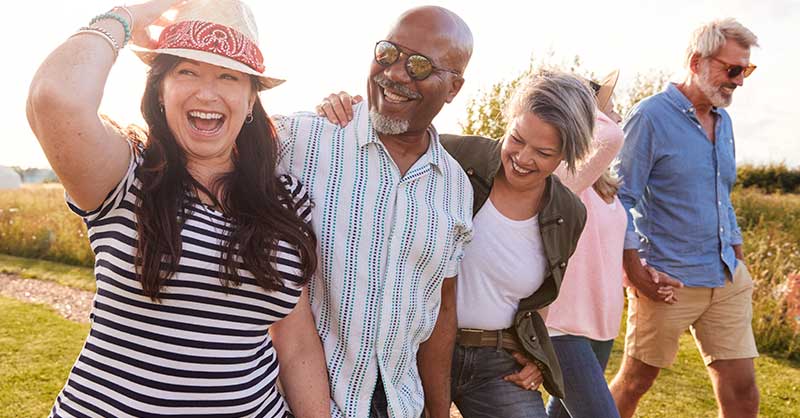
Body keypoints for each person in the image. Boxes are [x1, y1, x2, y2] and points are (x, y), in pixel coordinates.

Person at [26, 1, 330, 417]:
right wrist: (131, 17)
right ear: (160, 89)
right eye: (186, 71)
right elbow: (55, 97)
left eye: (228, 76)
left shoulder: (283, 199)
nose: (207, 92)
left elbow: (296, 342)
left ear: (249, 101)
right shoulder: (126, 173)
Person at [317, 71, 597, 418]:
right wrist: (348, 109)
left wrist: (535, 354)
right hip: (413, 348)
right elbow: (385, 138)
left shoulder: (569, 212)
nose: (523, 158)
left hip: (497, 363)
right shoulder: (455, 156)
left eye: (543, 152)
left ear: (567, 154)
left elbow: (540, 297)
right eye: (517, 139)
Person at [273, 6, 475, 418]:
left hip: (398, 406)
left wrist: (438, 413)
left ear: (454, 87)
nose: (397, 73)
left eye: (419, 65)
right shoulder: (300, 142)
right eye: (387, 54)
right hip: (292, 404)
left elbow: (440, 315)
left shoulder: (456, 188)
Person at [609, 18, 760, 418]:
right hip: (668, 279)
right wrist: (635, 271)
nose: (739, 81)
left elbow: (721, 197)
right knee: (636, 382)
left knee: (743, 389)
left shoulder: (723, 122)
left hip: (725, 276)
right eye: (732, 69)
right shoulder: (650, 117)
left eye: (745, 70)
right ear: (696, 61)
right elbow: (619, 198)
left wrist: (739, 259)